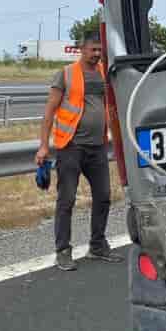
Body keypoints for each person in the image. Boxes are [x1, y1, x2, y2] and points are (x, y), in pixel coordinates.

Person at [36, 29, 122, 270]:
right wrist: (43, 145)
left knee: (104, 196)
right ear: (81, 49)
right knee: (67, 200)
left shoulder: (105, 72)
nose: (96, 54)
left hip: (97, 148)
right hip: (71, 147)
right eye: (93, 49)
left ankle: (97, 245)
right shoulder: (66, 74)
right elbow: (49, 111)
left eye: (99, 50)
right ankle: (63, 250)